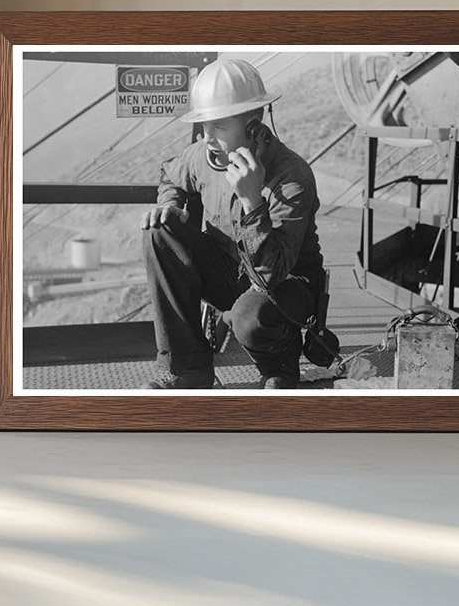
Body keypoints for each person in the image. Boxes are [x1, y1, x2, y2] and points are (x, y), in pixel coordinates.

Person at [138, 58, 325, 390]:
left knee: (250, 314)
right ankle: (187, 370)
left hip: (284, 286)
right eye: (205, 126)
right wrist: (170, 205)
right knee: (159, 232)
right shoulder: (206, 156)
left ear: (254, 127)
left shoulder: (292, 177)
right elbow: (171, 175)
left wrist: (253, 201)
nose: (208, 138)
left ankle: (280, 364)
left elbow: (269, 276)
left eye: (219, 127)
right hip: (231, 272)